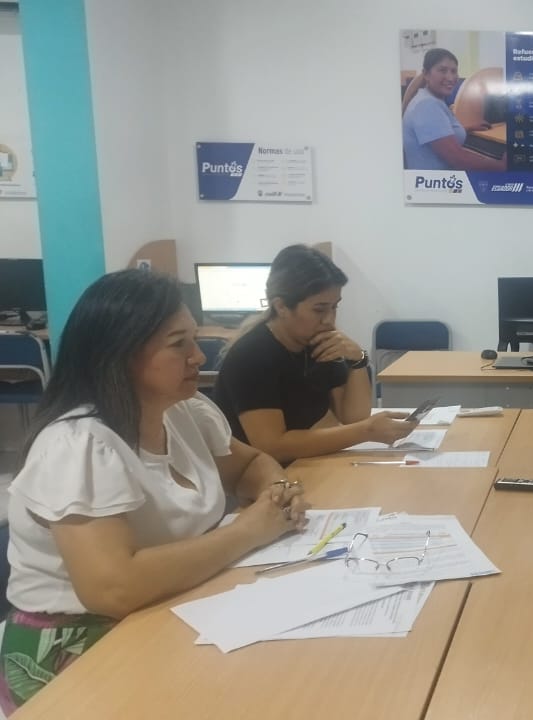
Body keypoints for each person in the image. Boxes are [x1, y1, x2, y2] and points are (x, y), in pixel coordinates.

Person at [2, 270, 310, 712]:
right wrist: (250, 530)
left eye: (194, 340)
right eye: (179, 344)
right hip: (80, 645)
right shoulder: (79, 444)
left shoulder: (183, 411)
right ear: (121, 354)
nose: (198, 356)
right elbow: (114, 589)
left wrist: (279, 492)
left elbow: (248, 465)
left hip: (170, 605)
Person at [213, 245, 415, 463]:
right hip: (255, 474)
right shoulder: (253, 356)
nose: (329, 320)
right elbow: (272, 446)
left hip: (298, 464)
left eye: (335, 307)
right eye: (319, 309)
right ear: (281, 306)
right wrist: (366, 431)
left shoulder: (317, 343)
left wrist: (358, 360)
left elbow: (353, 417)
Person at [402, 48, 506, 172]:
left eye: (454, 71)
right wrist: (501, 165)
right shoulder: (427, 105)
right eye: (443, 70)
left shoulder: (427, 99)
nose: (450, 78)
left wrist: (466, 128)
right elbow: (459, 159)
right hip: (437, 181)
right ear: (426, 74)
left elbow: (437, 132)